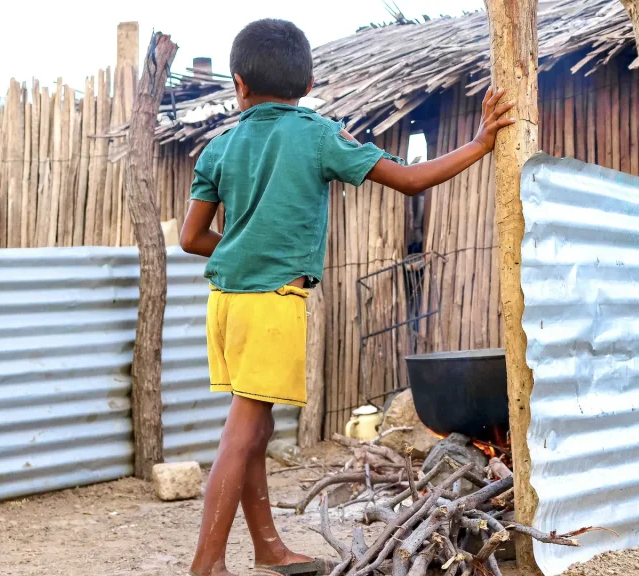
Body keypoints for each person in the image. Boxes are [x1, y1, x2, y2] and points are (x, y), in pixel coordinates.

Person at [179, 18, 515, 576]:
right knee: (243, 430)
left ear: (237, 83)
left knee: (254, 426)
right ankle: (206, 564)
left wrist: (243, 248)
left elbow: (192, 239)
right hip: (270, 303)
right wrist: (481, 144)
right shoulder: (316, 134)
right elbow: (410, 179)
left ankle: (267, 548)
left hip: (227, 302)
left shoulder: (219, 147)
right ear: (308, 85)